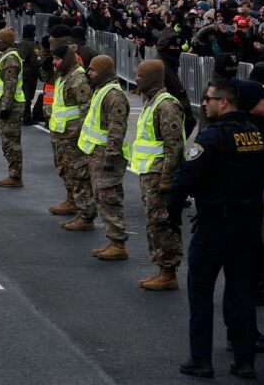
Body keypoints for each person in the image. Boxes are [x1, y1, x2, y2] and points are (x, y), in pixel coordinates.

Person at [170, 77, 264, 380]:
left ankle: (201, 358)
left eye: (209, 99)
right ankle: (245, 359)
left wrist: (172, 215)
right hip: (249, 224)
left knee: (200, 291)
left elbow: (185, 179)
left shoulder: (211, 138)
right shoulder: (255, 135)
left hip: (215, 223)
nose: (205, 103)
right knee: (240, 292)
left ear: (222, 102)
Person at [129, 58, 186, 291]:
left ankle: (168, 271)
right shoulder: (152, 102)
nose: (136, 80)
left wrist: (167, 179)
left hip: (160, 174)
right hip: (150, 173)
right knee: (154, 222)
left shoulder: (166, 105)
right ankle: (163, 268)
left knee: (162, 223)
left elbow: (174, 147)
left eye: (140, 76)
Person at [80, 54, 131, 260]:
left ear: (102, 71)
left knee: (109, 199)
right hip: (98, 154)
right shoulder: (101, 90)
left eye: (92, 70)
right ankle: (113, 240)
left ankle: (118, 243)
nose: (88, 73)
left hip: (107, 157)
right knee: (102, 197)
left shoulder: (114, 96)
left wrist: (110, 157)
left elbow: (116, 130)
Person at [47, 40, 95, 226]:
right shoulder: (63, 76)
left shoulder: (79, 78)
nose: (55, 62)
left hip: (74, 134)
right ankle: (72, 201)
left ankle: (85, 214)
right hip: (61, 132)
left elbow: (86, 108)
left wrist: (83, 135)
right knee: (65, 169)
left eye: (58, 59)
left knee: (79, 174)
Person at [0, 26, 26, 187]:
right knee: (7, 142)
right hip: (5, 105)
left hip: (11, 107)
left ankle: (15, 176)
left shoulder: (11, 59)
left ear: (5, 42)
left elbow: (10, 86)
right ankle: (13, 174)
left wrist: (5, 107)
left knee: (11, 143)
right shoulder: (5, 56)